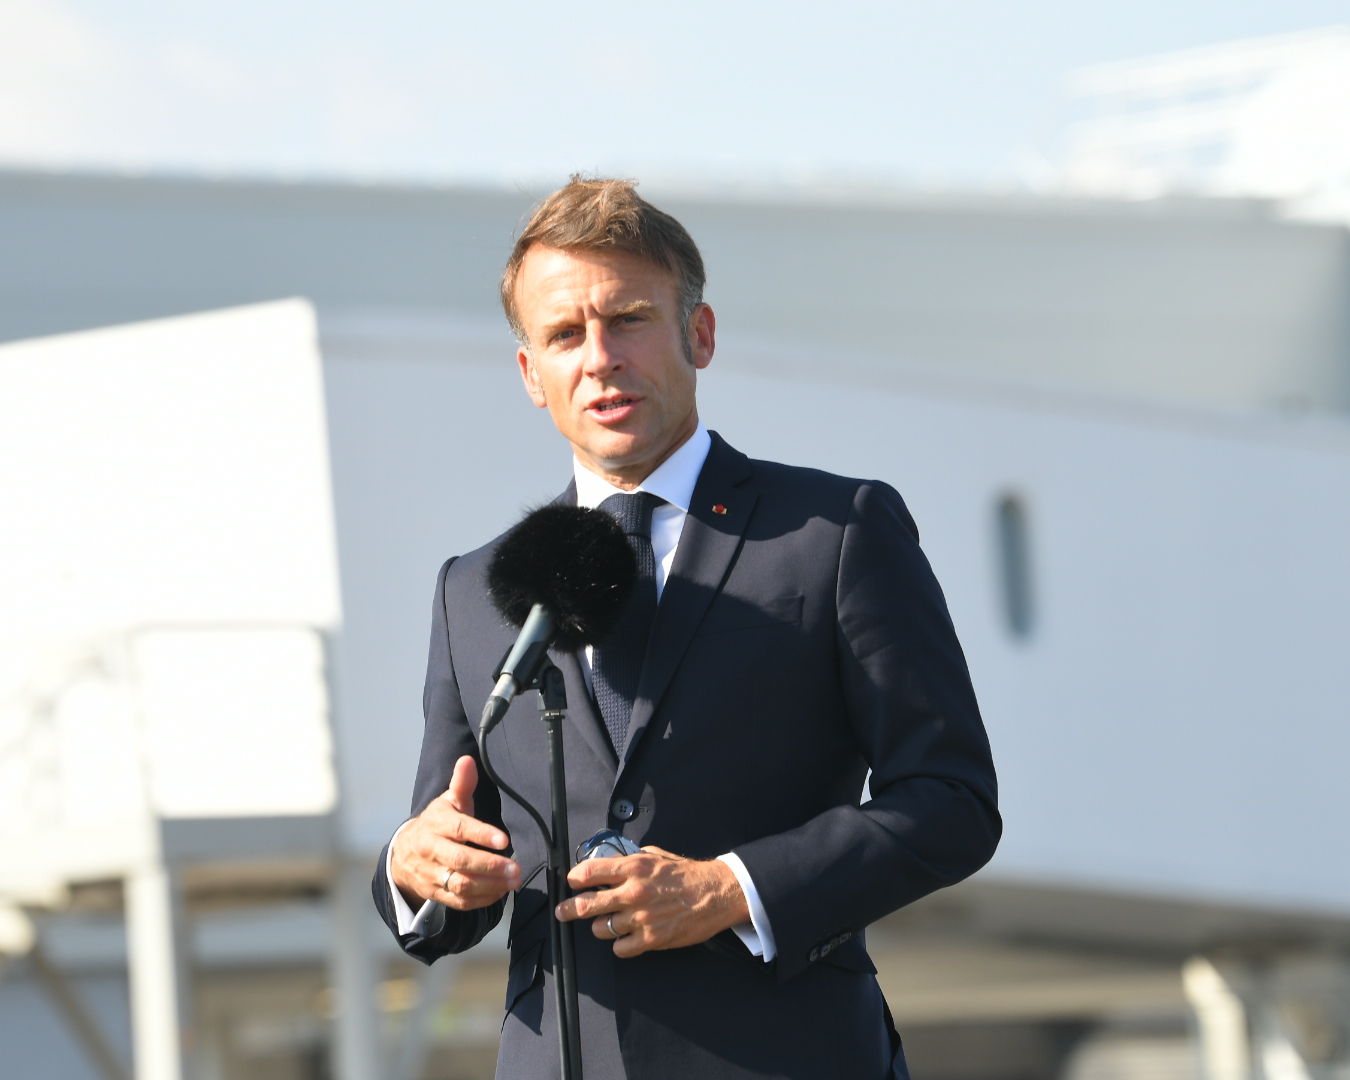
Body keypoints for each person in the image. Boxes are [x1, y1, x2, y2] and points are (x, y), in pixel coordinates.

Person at [372, 177, 1000, 1080]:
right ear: (529, 376)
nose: (599, 358)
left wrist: (728, 890)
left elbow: (951, 802)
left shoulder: (837, 534)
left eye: (627, 319)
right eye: (563, 335)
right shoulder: (470, 590)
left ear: (698, 335)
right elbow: (456, 851)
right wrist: (415, 867)